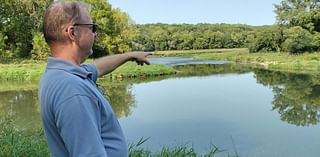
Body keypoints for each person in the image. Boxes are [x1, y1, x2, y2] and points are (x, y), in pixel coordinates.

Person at [38, 1, 151, 157]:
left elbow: (98, 66)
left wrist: (129, 55)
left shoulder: (59, 74)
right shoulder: (72, 90)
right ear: (73, 33)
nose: (95, 33)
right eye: (92, 28)